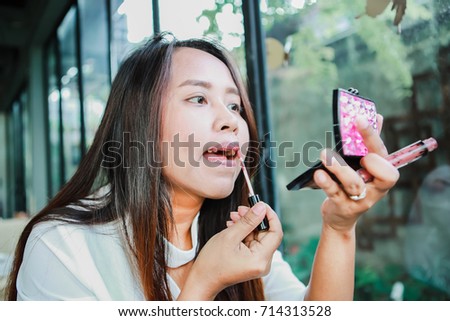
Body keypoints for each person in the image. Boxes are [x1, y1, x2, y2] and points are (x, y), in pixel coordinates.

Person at [5, 32, 398, 301]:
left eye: (234, 106)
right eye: (197, 98)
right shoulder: (60, 246)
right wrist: (204, 284)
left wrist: (340, 227)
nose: (231, 121)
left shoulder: (239, 235)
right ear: (138, 122)